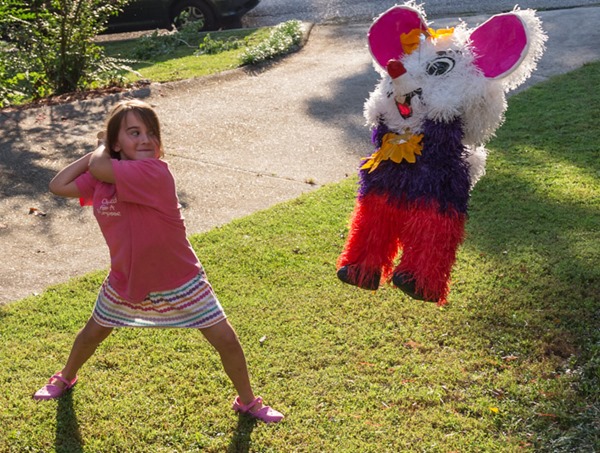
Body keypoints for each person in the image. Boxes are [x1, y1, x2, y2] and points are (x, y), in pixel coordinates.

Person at [33, 99, 283, 424]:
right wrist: (99, 147)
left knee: (225, 339)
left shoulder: (155, 171)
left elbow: (98, 166)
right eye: (134, 132)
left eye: (151, 132)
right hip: (127, 281)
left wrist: (101, 147)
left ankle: (248, 402)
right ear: (116, 144)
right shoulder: (103, 178)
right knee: (92, 334)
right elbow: (58, 186)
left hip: (179, 280)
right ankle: (65, 377)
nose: (146, 140)